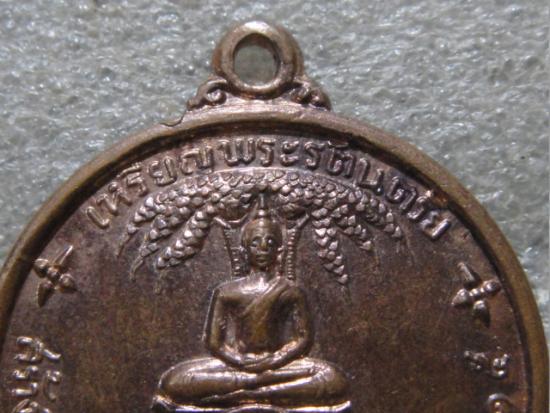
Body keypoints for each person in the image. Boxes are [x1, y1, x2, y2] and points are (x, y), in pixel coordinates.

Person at [152, 201, 350, 412]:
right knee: (174, 381)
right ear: (244, 251)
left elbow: (303, 339)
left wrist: (274, 360)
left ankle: (248, 394)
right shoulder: (227, 291)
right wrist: (240, 361)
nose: (263, 249)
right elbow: (214, 343)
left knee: (332, 378)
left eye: (269, 243)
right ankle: (262, 391)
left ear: (279, 251)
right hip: (236, 367)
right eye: (256, 243)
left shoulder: (291, 291)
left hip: (280, 366)